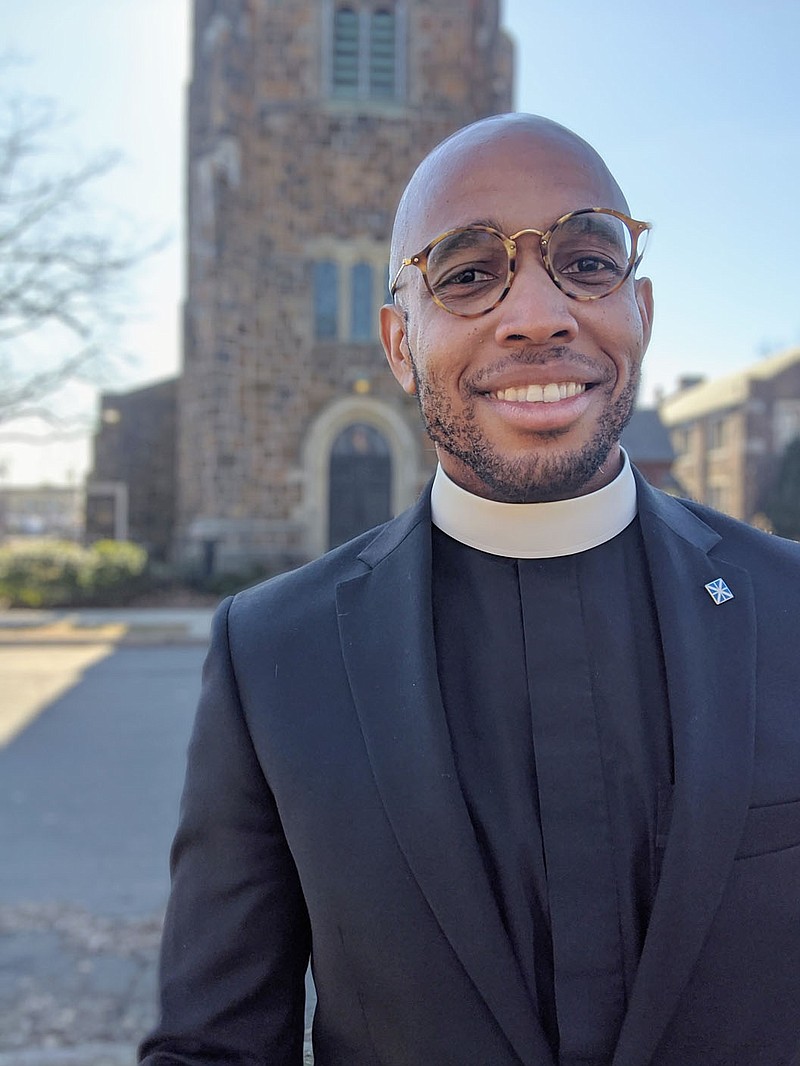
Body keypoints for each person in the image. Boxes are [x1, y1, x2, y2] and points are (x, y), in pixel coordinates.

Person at [139, 114, 800, 1066]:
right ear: (400, 342)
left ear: (642, 312)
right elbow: (217, 1047)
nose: (537, 313)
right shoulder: (272, 655)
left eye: (585, 260)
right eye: (466, 273)